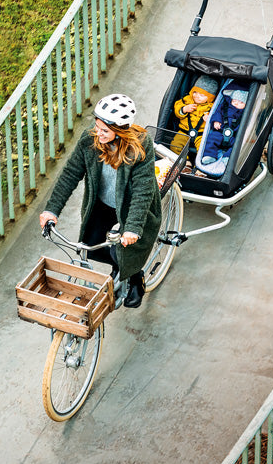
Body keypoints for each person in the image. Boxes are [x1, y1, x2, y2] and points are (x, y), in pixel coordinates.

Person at [39, 94, 162, 308]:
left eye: (104, 130)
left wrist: (132, 229)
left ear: (121, 130)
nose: (98, 133)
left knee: (126, 249)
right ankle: (121, 265)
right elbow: (70, 174)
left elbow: (143, 191)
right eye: (97, 126)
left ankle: (135, 278)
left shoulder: (140, 147)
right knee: (91, 246)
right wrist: (52, 210)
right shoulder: (90, 141)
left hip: (130, 207)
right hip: (102, 205)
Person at [200, 84, 248, 165]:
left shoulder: (245, 113)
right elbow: (217, 113)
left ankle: (228, 158)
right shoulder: (225, 106)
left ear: (246, 104)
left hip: (234, 135)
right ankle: (209, 155)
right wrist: (216, 121)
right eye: (234, 101)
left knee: (237, 145)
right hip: (220, 132)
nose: (236, 104)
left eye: (240, 102)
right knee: (212, 138)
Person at [170, 75, 219, 154]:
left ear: (210, 97)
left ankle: (199, 163)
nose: (197, 96)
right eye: (195, 92)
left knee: (205, 149)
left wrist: (210, 118)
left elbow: (218, 116)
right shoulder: (187, 100)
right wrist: (184, 109)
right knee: (175, 146)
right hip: (184, 131)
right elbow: (177, 107)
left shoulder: (212, 107)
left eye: (202, 95)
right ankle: (185, 162)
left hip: (201, 134)